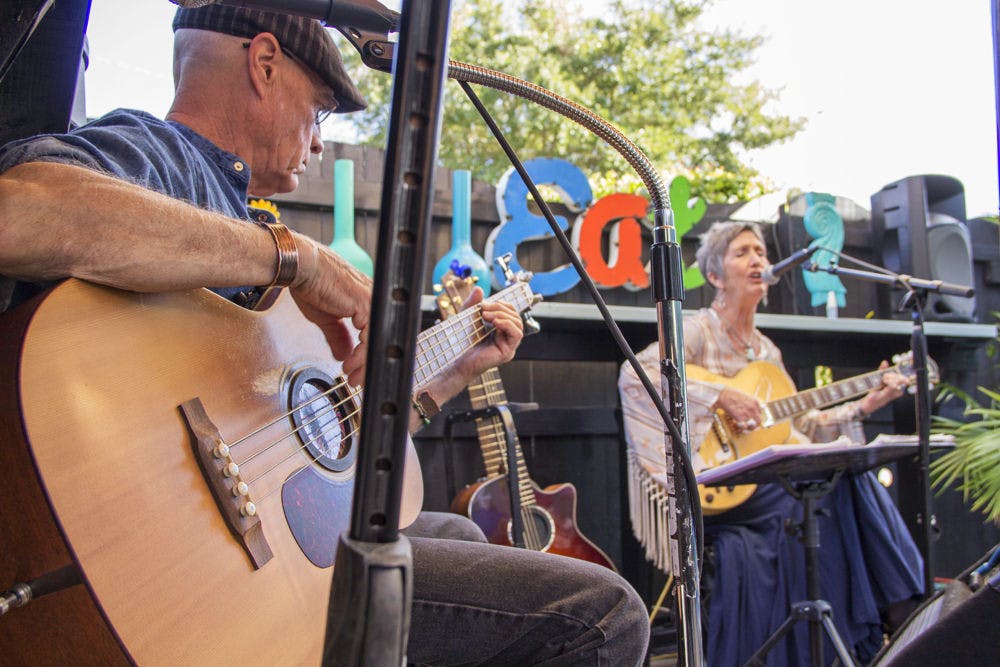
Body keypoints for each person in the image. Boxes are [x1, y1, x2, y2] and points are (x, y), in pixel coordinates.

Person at [0, 6, 649, 665]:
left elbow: (315, 457)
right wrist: (296, 259)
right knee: (603, 615)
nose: (316, 144)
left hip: (251, 554)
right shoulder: (167, 160)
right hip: (162, 549)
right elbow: (18, 214)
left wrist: (453, 370)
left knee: (447, 526)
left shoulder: (244, 227)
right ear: (263, 64)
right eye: (318, 112)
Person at [618, 221, 924, 666]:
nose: (757, 259)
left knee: (846, 475)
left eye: (760, 251)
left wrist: (863, 405)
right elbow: (636, 376)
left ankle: (890, 621)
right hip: (715, 486)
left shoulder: (766, 352)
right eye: (742, 252)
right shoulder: (698, 330)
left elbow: (801, 427)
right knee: (837, 486)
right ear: (716, 276)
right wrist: (719, 394)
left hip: (768, 485)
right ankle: (905, 612)